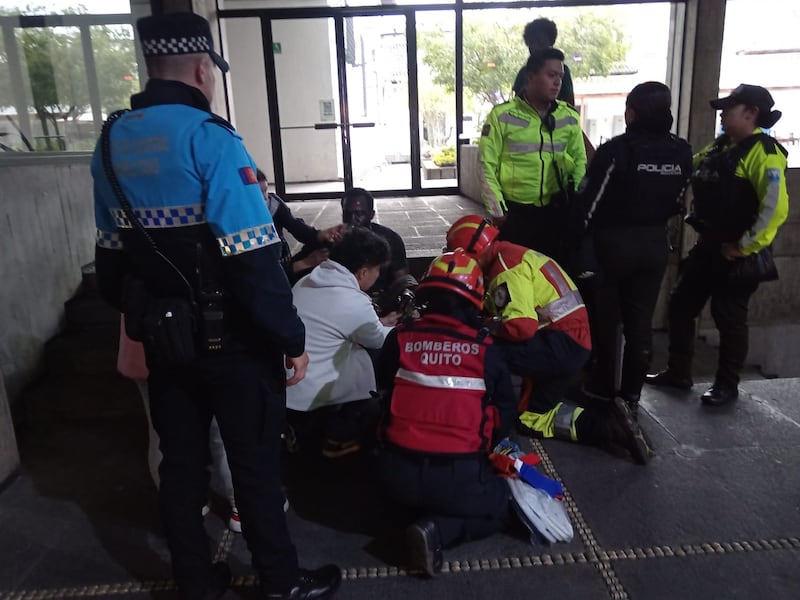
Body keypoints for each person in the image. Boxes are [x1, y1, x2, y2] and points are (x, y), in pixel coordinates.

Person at [91, 13, 340, 600]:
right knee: (254, 465)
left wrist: (156, 315)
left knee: (181, 466)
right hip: (236, 344)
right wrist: (291, 338)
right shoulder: (212, 139)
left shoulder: (110, 141)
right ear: (203, 69)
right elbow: (254, 258)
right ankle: (280, 581)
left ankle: (196, 582)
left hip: (165, 340)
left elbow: (108, 266)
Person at [446, 215, 651, 465]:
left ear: (474, 251)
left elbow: (520, 327)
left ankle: (608, 427)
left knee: (485, 352)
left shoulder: (505, 268)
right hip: (570, 343)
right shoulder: (510, 253)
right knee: (534, 412)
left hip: (560, 346)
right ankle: (610, 419)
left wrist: (484, 327)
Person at [373, 250, 517, 577]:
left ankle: (409, 515)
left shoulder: (400, 338)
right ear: (475, 301)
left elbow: (384, 388)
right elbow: (504, 413)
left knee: (400, 500)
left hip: (394, 473)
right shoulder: (486, 349)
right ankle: (438, 530)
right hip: (459, 474)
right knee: (498, 506)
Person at [647, 84, 789, 406]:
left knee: (729, 318)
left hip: (738, 254)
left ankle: (726, 386)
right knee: (681, 305)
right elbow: (689, 166)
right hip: (709, 245)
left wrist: (744, 247)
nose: (722, 114)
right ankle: (678, 372)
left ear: (751, 114)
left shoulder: (764, 153)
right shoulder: (721, 146)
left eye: (729, 108)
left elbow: (774, 209)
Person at [574, 82, 693, 417]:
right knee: (640, 322)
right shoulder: (682, 152)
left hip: (614, 245)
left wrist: (578, 245)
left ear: (632, 113)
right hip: (655, 244)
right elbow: (678, 199)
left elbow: (588, 205)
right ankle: (631, 394)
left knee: (607, 319)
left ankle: (601, 387)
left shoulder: (617, 150)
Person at [286, 227, 401, 458]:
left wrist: (378, 322)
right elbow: (378, 339)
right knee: (370, 356)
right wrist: (395, 326)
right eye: (377, 270)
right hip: (313, 397)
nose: (378, 276)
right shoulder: (353, 301)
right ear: (362, 272)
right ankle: (342, 433)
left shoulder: (307, 281)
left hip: (289, 388)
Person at [479, 49, 587, 264]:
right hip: (515, 214)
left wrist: (576, 202)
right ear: (530, 77)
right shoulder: (503, 116)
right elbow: (486, 166)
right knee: (517, 277)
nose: (557, 82)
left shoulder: (569, 117)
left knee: (552, 278)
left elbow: (579, 161)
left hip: (556, 213)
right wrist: (498, 210)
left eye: (560, 76)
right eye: (551, 75)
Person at [256, 169, 344, 284]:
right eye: (258, 193)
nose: (265, 198)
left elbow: (296, 227)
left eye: (265, 190)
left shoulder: (274, 204)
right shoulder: (237, 224)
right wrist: (305, 263)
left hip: (281, 262)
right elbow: (256, 271)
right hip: (261, 279)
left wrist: (320, 235)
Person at [512, 18, 574, 105]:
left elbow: (569, 104)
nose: (535, 47)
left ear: (551, 44)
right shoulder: (523, 72)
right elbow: (516, 105)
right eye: (531, 43)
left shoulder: (563, 71)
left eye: (540, 43)